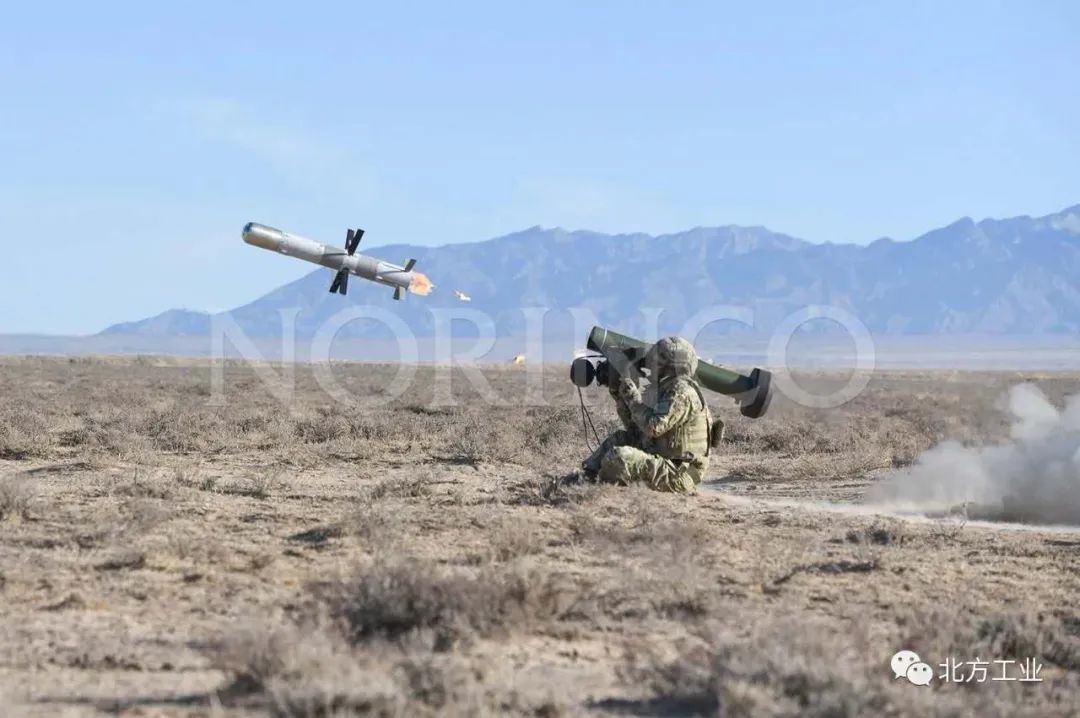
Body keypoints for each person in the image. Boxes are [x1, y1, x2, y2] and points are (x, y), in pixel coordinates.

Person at [581, 336, 714, 494]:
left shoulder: (681, 392)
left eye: (657, 360)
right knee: (620, 439)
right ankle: (583, 479)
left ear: (671, 365)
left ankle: (596, 491)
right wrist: (620, 395)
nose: (650, 365)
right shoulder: (663, 390)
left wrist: (634, 399)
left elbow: (653, 427)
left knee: (619, 456)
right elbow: (636, 429)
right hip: (661, 460)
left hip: (678, 473)